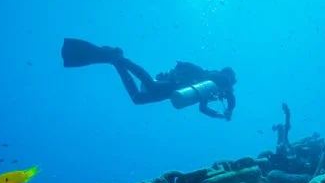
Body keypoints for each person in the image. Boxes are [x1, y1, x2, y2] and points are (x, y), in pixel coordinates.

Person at [61, 38, 236, 121]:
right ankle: (120, 58)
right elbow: (231, 97)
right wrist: (229, 110)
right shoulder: (220, 78)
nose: (231, 86)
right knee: (151, 86)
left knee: (138, 99)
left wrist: (221, 115)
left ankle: (117, 63)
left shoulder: (210, 88)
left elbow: (203, 109)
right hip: (175, 86)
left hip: (175, 93)